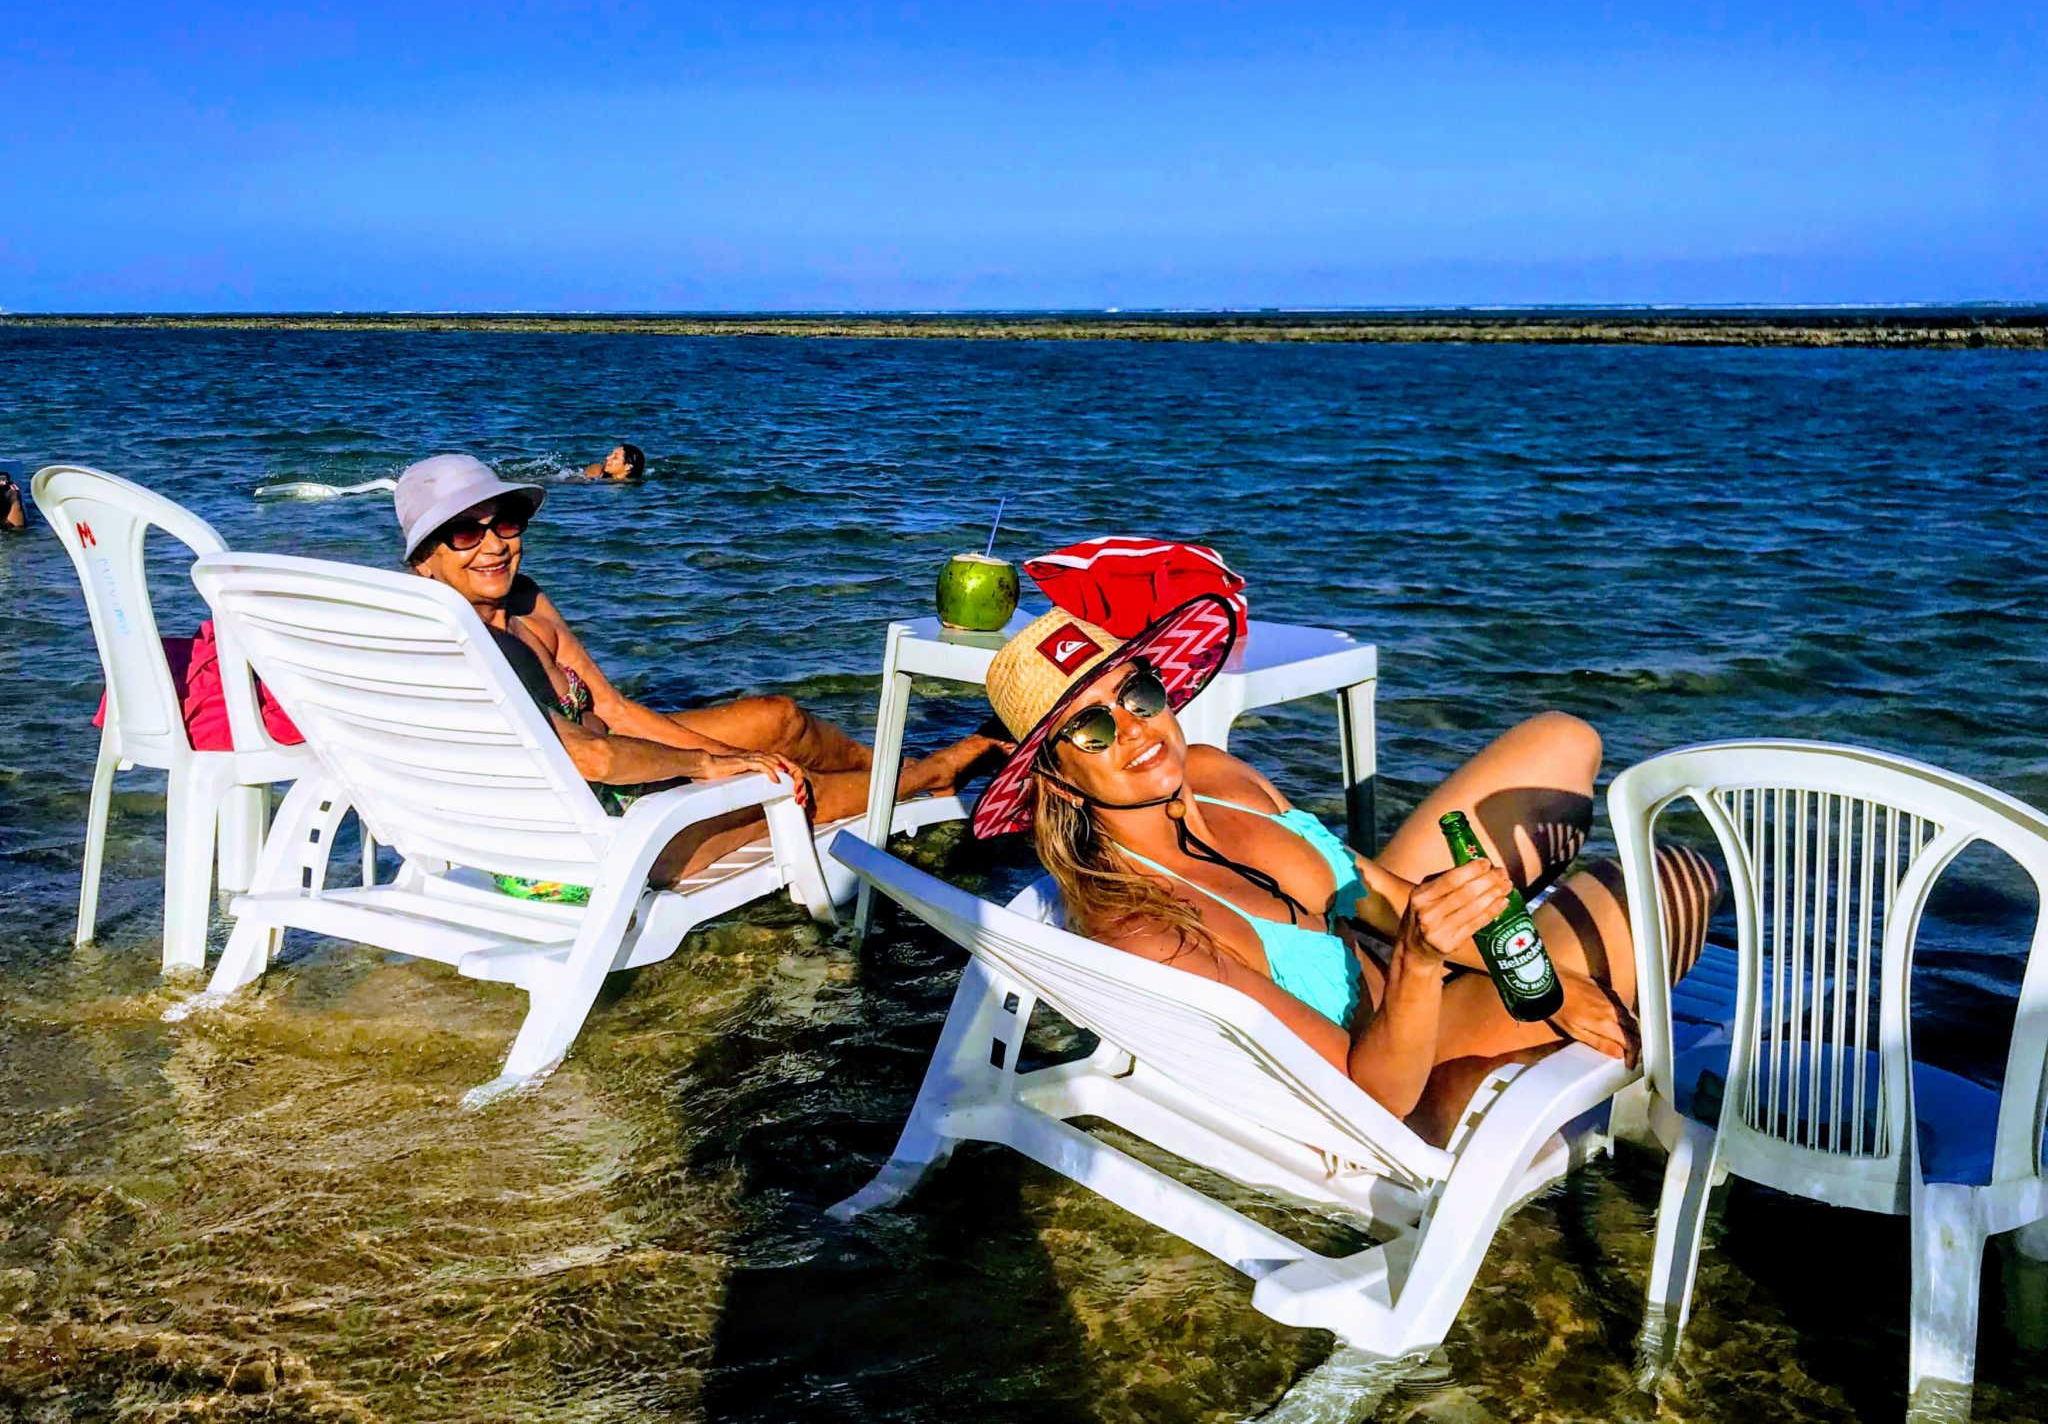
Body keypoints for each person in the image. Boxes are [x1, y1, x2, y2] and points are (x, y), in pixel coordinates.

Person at [971, 597, 1720, 1145]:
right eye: (1092, 727)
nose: (1134, 730)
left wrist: (1519, 973)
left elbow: (1384, 898)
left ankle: (1544, 968)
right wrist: (1444, 970)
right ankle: (1549, 1024)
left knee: (1562, 741)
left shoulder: (1213, 772)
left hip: (1384, 961)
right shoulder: (1144, 929)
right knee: (1676, 882)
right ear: (1059, 776)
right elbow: (1368, 1097)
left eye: (1135, 691)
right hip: (1399, 1066)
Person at [396, 454, 1004, 890]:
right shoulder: (467, 646)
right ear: (424, 561)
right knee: (790, 793)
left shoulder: (522, 600)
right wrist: (709, 766)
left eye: (504, 522)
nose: (494, 544)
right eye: (464, 533)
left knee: (778, 721)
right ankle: (931, 772)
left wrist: (736, 756)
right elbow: (594, 759)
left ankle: (886, 765)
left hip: (613, 787)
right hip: (594, 844)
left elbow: (611, 710)